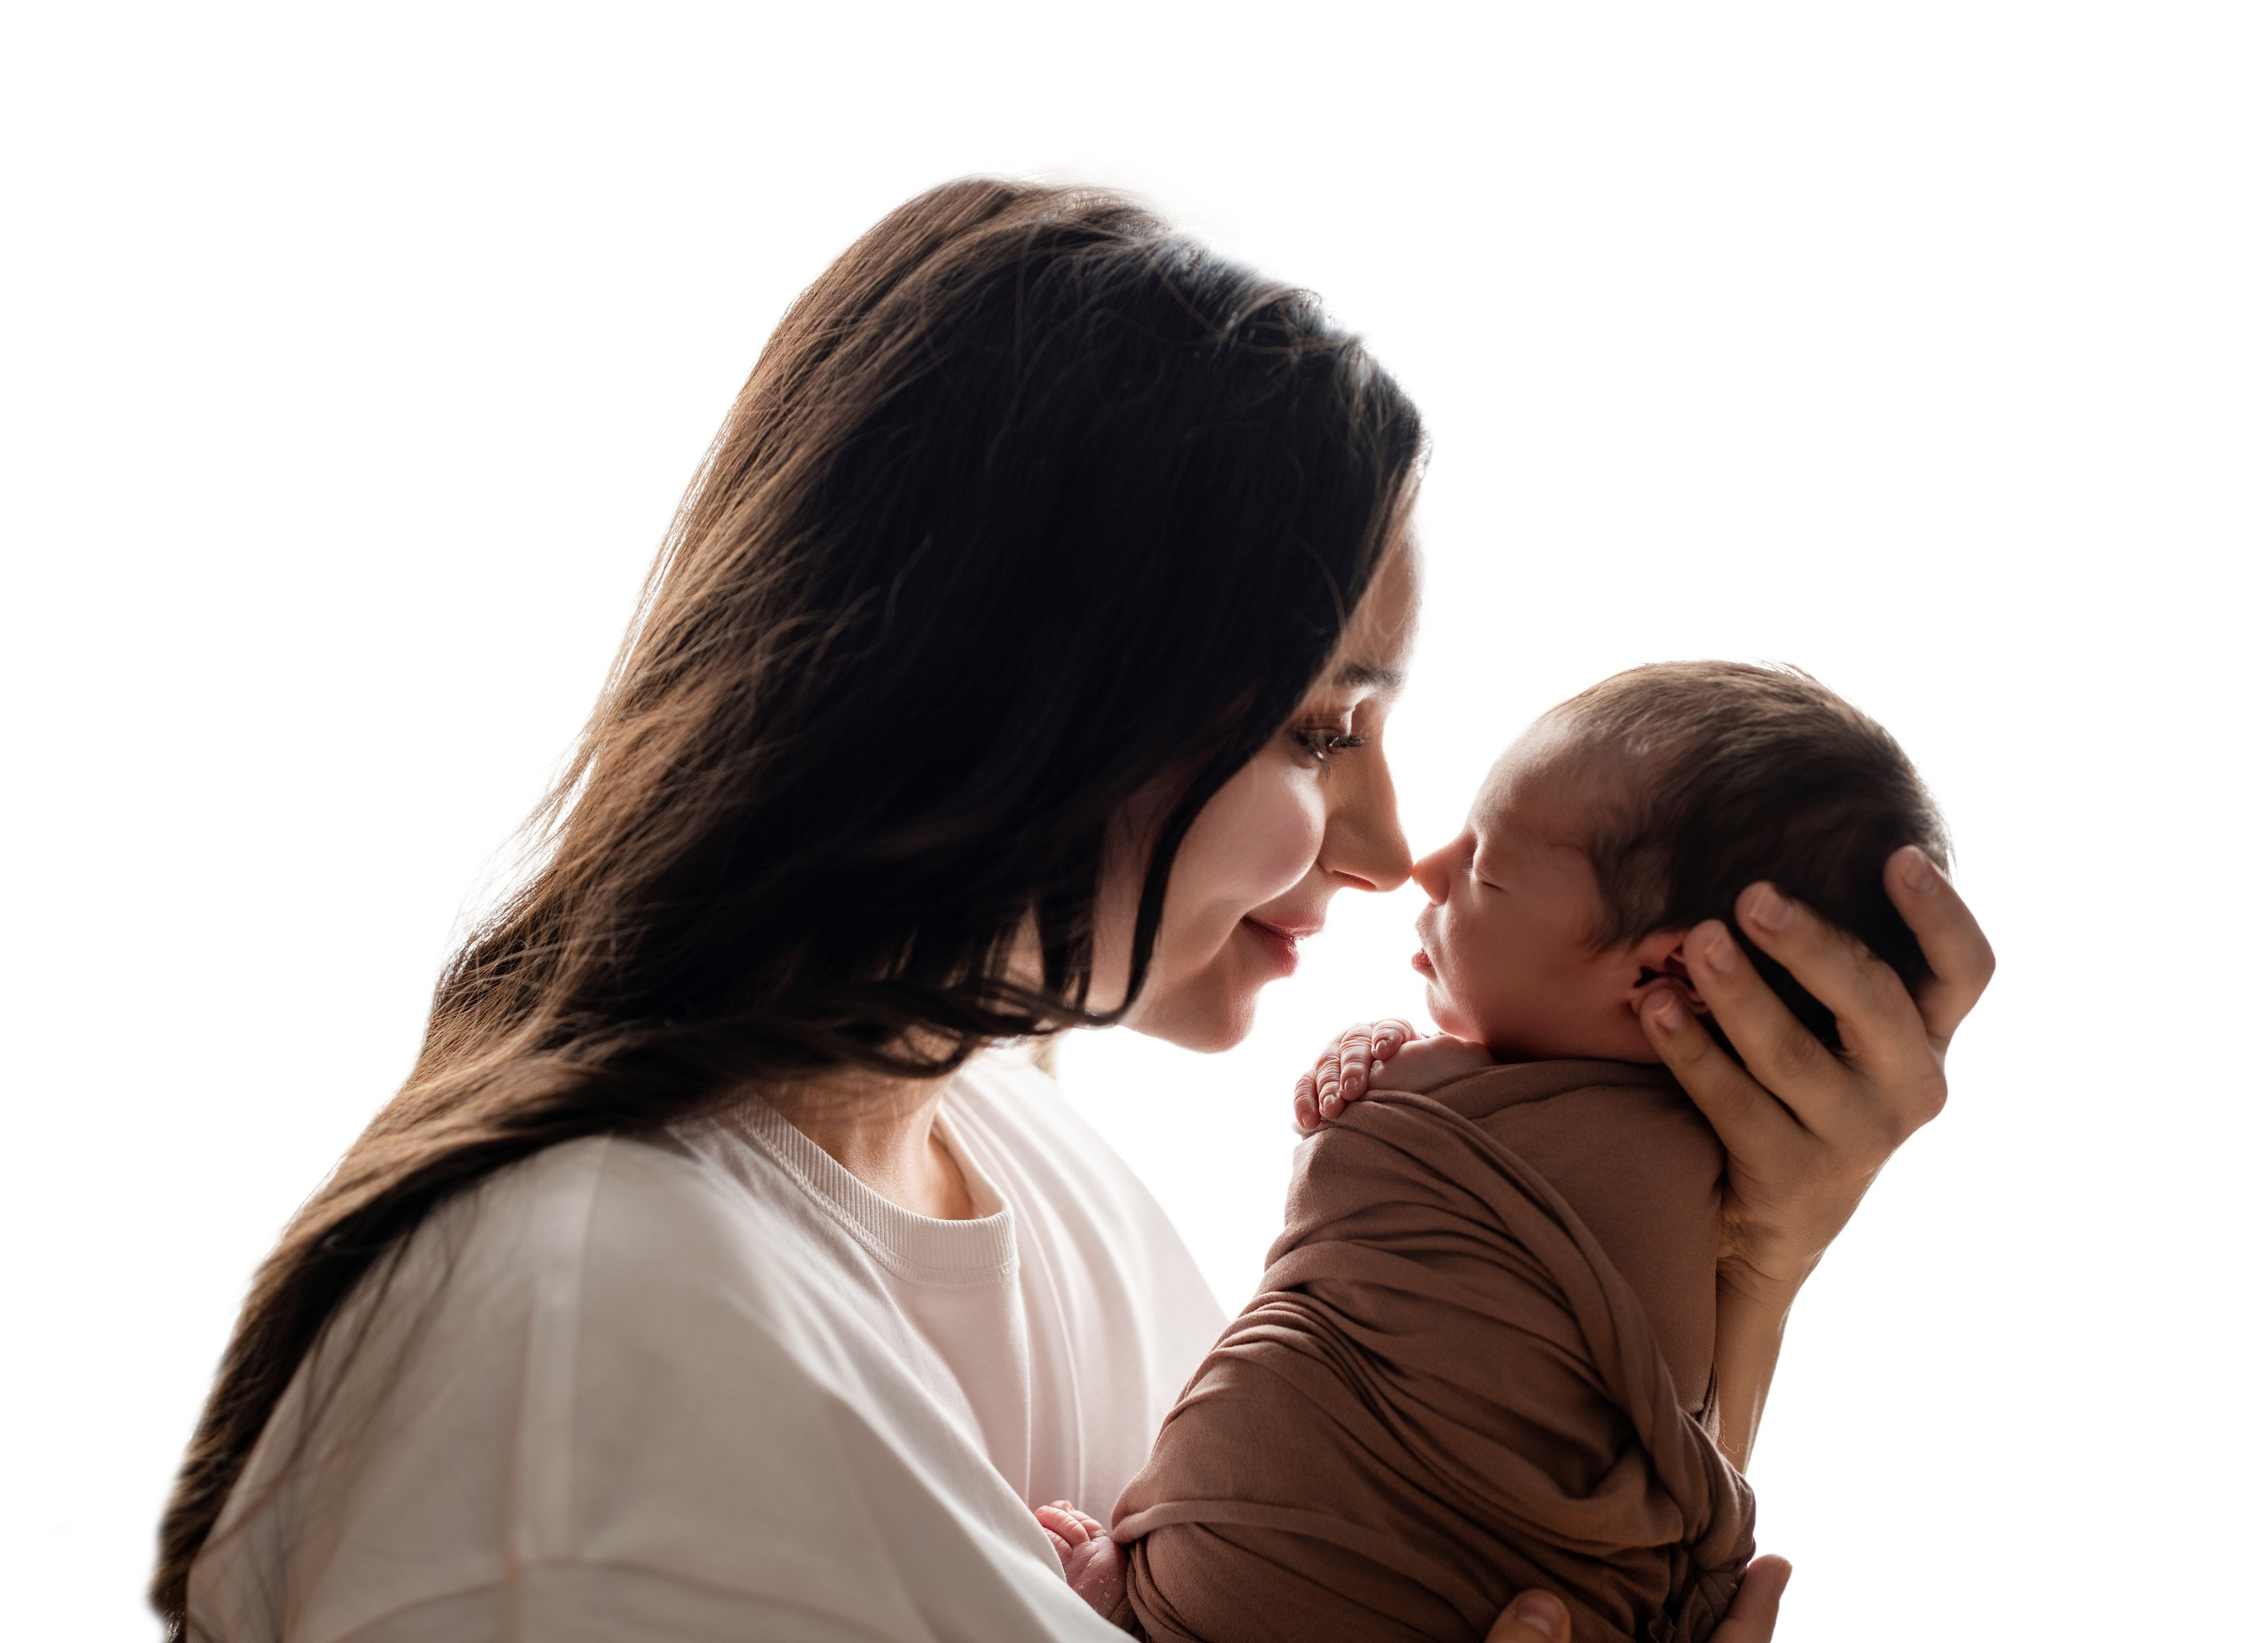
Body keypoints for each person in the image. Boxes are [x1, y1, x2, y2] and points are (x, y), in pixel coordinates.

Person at [154, 181, 1992, 1643]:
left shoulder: (1037, 1180)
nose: (1379, 848)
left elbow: (1447, 1564)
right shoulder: (595, 1366)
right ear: (1026, 694)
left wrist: (1739, 1264)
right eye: (1317, 726)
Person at [1060, 661, 1949, 1641]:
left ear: (1669, 975)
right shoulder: (1689, 1186)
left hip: (1239, 1578)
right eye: (1315, 732)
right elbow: (1648, 1482)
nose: (1417, 864)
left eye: (1484, 868)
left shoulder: (1594, 1151)